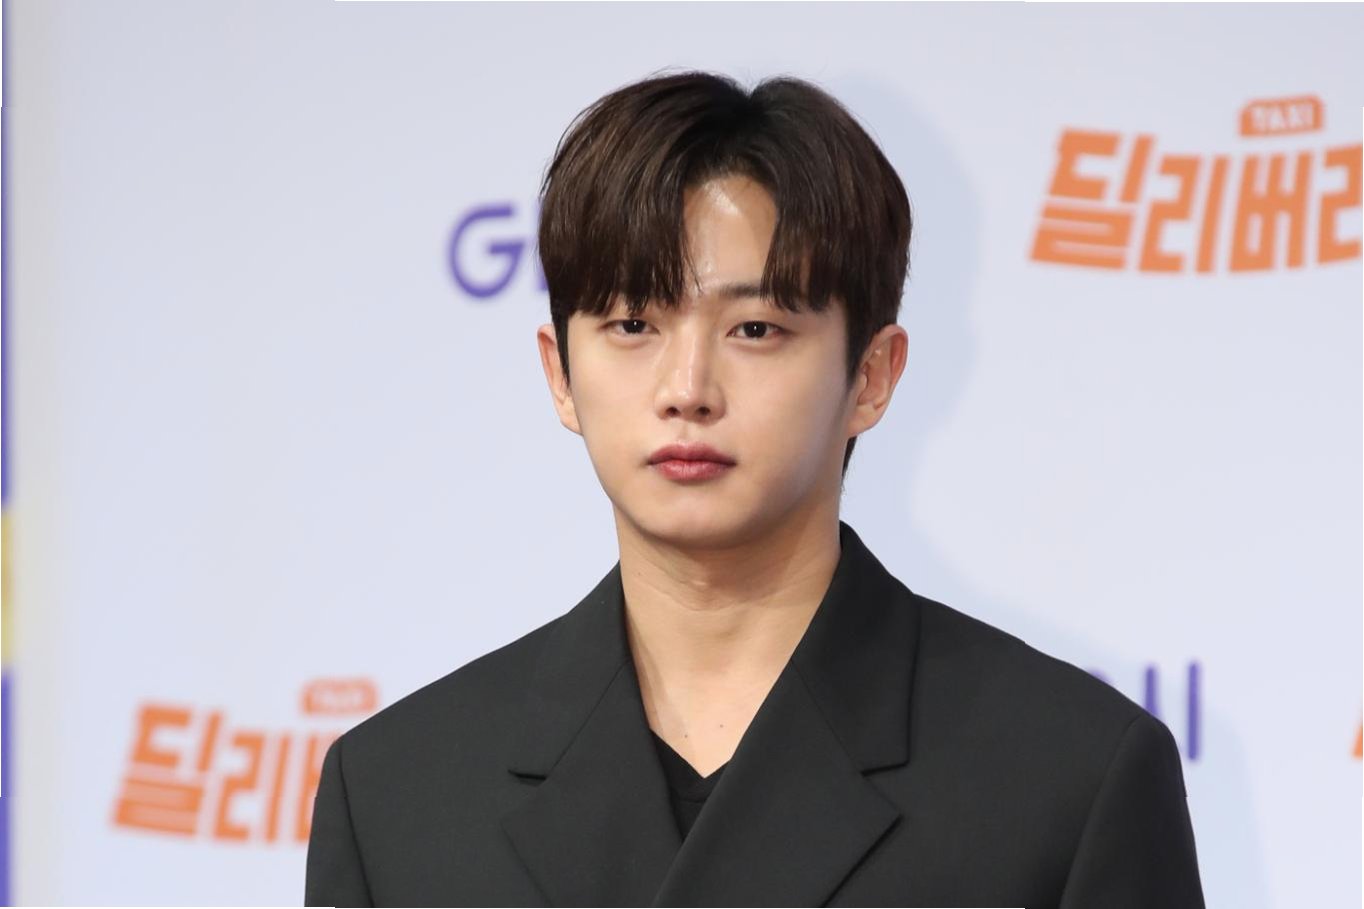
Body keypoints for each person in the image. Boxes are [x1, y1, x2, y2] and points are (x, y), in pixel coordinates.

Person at [305, 70, 1205, 908]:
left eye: (755, 328)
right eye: (633, 323)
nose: (687, 388)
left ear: (872, 376)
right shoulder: (395, 793)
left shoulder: (1069, 776)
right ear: (560, 374)